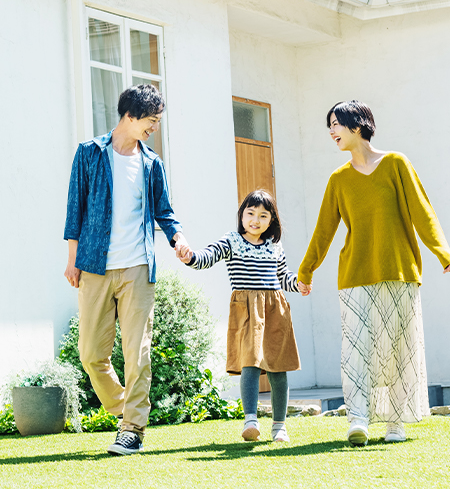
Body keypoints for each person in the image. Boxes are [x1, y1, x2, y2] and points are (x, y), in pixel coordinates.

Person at [298, 100, 450, 446]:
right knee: (356, 349)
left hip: (399, 270)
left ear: (357, 125)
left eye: (336, 124)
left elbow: (421, 211)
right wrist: (306, 271)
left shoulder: (396, 164)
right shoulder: (338, 180)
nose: (331, 132)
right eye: (329, 126)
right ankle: (358, 418)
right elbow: (324, 231)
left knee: (399, 350)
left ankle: (396, 423)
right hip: (355, 274)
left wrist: (441, 251)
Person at [64, 84, 192, 456]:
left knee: (138, 353)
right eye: (151, 120)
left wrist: (178, 239)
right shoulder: (89, 153)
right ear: (130, 116)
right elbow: (76, 209)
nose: (154, 127)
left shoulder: (152, 163)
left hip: (137, 266)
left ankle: (132, 429)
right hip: (94, 265)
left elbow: (164, 211)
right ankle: (126, 411)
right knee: (90, 353)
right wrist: (72, 259)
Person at [180, 189, 308, 443]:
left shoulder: (274, 246)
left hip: (274, 309)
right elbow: (208, 256)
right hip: (246, 310)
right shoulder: (232, 241)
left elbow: (283, 277)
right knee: (249, 362)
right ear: (241, 215)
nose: (255, 220)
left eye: (263, 215)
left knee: (278, 368)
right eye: (250, 213)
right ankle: (251, 420)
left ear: (272, 220)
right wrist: (190, 257)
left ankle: (279, 426)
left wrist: (299, 284)